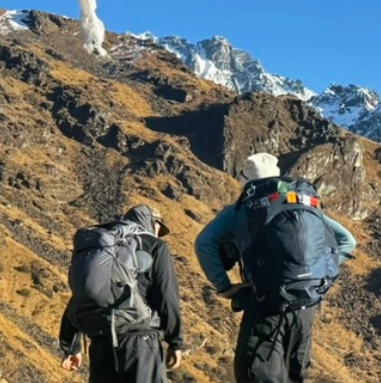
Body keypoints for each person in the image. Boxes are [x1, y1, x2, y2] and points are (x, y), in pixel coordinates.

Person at [195, 153, 356, 383]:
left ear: (246, 181)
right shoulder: (300, 203)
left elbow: (204, 244)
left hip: (266, 303)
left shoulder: (242, 210)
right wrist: (321, 271)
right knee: (294, 376)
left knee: (255, 375)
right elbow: (347, 240)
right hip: (307, 306)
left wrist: (224, 287)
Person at [59, 205, 185, 383]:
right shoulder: (155, 246)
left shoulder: (102, 250)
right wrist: (175, 342)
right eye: (158, 228)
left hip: (101, 343)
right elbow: (168, 296)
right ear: (151, 223)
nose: (158, 233)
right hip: (140, 342)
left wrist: (72, 347)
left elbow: (81, 297)